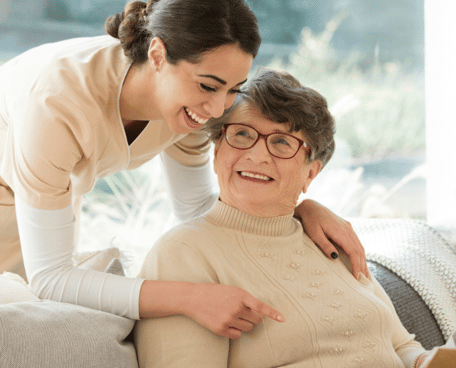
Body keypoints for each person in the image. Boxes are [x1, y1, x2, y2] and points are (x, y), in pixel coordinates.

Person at [0, 0, 367, 339]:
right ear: (157, 55)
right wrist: (191, 298)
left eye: (233, 90)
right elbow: (52, 278)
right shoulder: (58, 103)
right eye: (208, 86)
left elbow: (196, 210)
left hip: (38, 199)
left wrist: (296, 209)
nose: (218, 108)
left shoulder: (185, 111)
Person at [134, 68, 429, 368]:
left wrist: (427, 364)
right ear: (217, 152)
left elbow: (403, 346)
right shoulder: (183, 254)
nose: (258, 155)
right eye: (242, 134)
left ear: (310, 173)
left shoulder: (329, 240)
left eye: (281, 142)